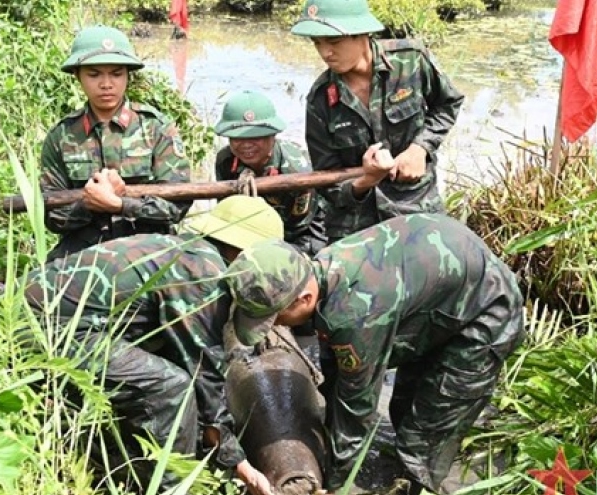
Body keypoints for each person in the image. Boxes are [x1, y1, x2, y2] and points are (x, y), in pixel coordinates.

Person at [224, 214, 525, 495]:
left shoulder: (355, 314)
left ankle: (417, 485)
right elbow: (338, 373)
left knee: (424, 434)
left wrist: (336, 481)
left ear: (304, 299)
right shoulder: (323, 267)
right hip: (439, 291)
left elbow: (357, 407)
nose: (275, 326)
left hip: (484, 313)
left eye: (276, 318)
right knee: (404, 405)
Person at [23, 195, 282, 495]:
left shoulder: (186, 249)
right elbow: (204, 378)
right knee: (173, 388)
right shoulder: (204, 275)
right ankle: (173, 488)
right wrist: (242, 467)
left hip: (49, 321)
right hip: (47, 330)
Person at [291, 0, 465, 244]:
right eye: (317, 43)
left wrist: (420, 148)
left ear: (361, 33)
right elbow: (327, 182)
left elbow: (448, 103)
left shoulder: (411, 61)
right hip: (355, 227)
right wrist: (365, 181)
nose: (325, 53)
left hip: (415, 205)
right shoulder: (320, 100)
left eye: (334, 41)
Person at [40, 25, 192, 262]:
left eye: (116, 73)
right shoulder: (62, 136)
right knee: (33, 292)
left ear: (128, 76)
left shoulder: (156, 128)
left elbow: (176, 207)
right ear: (77, 76)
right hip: (83, 254)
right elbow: (52, 216)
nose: (106, 84)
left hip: (150, 250)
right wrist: (88, 204)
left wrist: (121, 204)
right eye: (94, 74)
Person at [213, 89, 327, 256]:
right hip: (248, 231)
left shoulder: (296, 170)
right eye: (237, 138)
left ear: (273, 136)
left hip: (299, 236)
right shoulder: (225, 160)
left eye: (255, 137)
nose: (246, 145)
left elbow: (295, 226)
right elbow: (227, 211)